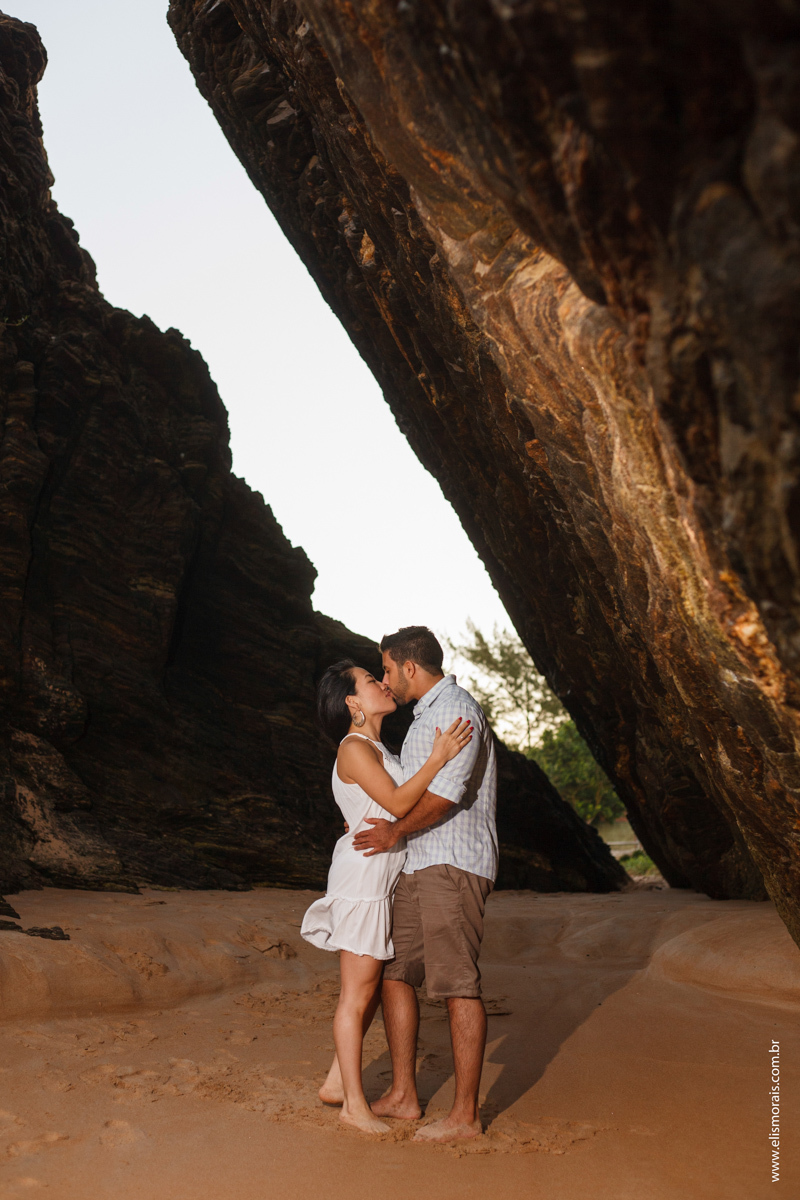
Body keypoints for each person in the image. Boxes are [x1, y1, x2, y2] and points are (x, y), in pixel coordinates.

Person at [301, 659, 472, 1136]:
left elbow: (379, 805)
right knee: (356, 996)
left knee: (370, 988)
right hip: (362, 881)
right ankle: (354, 1107)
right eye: (370, 681)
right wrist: (439, 758)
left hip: (381, 878)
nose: (382, 683)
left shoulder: (376, 746)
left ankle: (338, 1083)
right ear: (352, 703)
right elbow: (398, 806)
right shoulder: (355, 748)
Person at [352, 626, 498, 1144]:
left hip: (452, 865)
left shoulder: (455, 710)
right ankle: (405, 1096)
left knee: (457, 983)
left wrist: (393, 830)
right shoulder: (422, 719)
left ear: (410, 667)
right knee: (396, 974)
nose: (386, 681)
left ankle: (464, 1115)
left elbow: (446, 797)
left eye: (388, 669)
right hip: (417, 865)